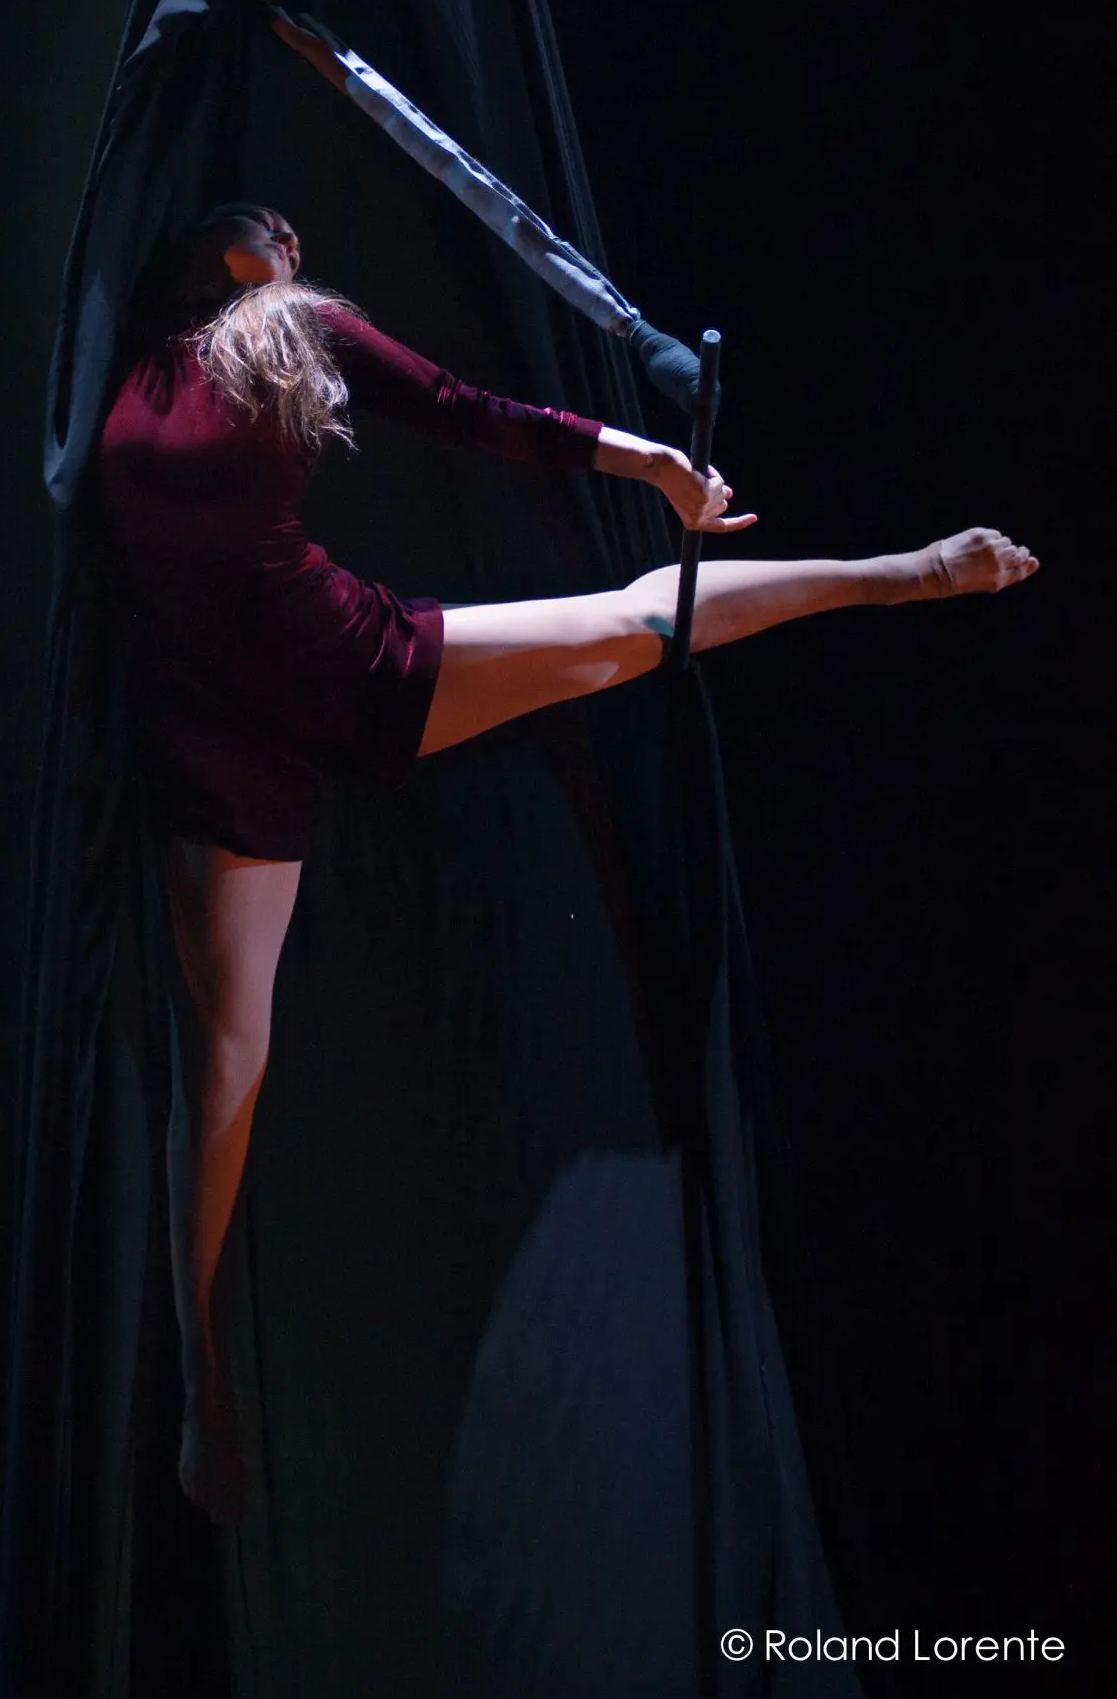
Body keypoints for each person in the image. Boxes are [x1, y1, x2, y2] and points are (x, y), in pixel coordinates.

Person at [97, 203, 1037, 1521]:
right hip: (212, 734)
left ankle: (902, 572)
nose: (281, 225)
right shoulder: (122, 343)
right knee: (224, 1070)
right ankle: (203, 1390)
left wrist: (651, 460)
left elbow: (468, 409)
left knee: (627, 628)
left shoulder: (296, 331)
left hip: (337, 657)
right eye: (249, 216)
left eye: (290, 225)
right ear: (193, 233)